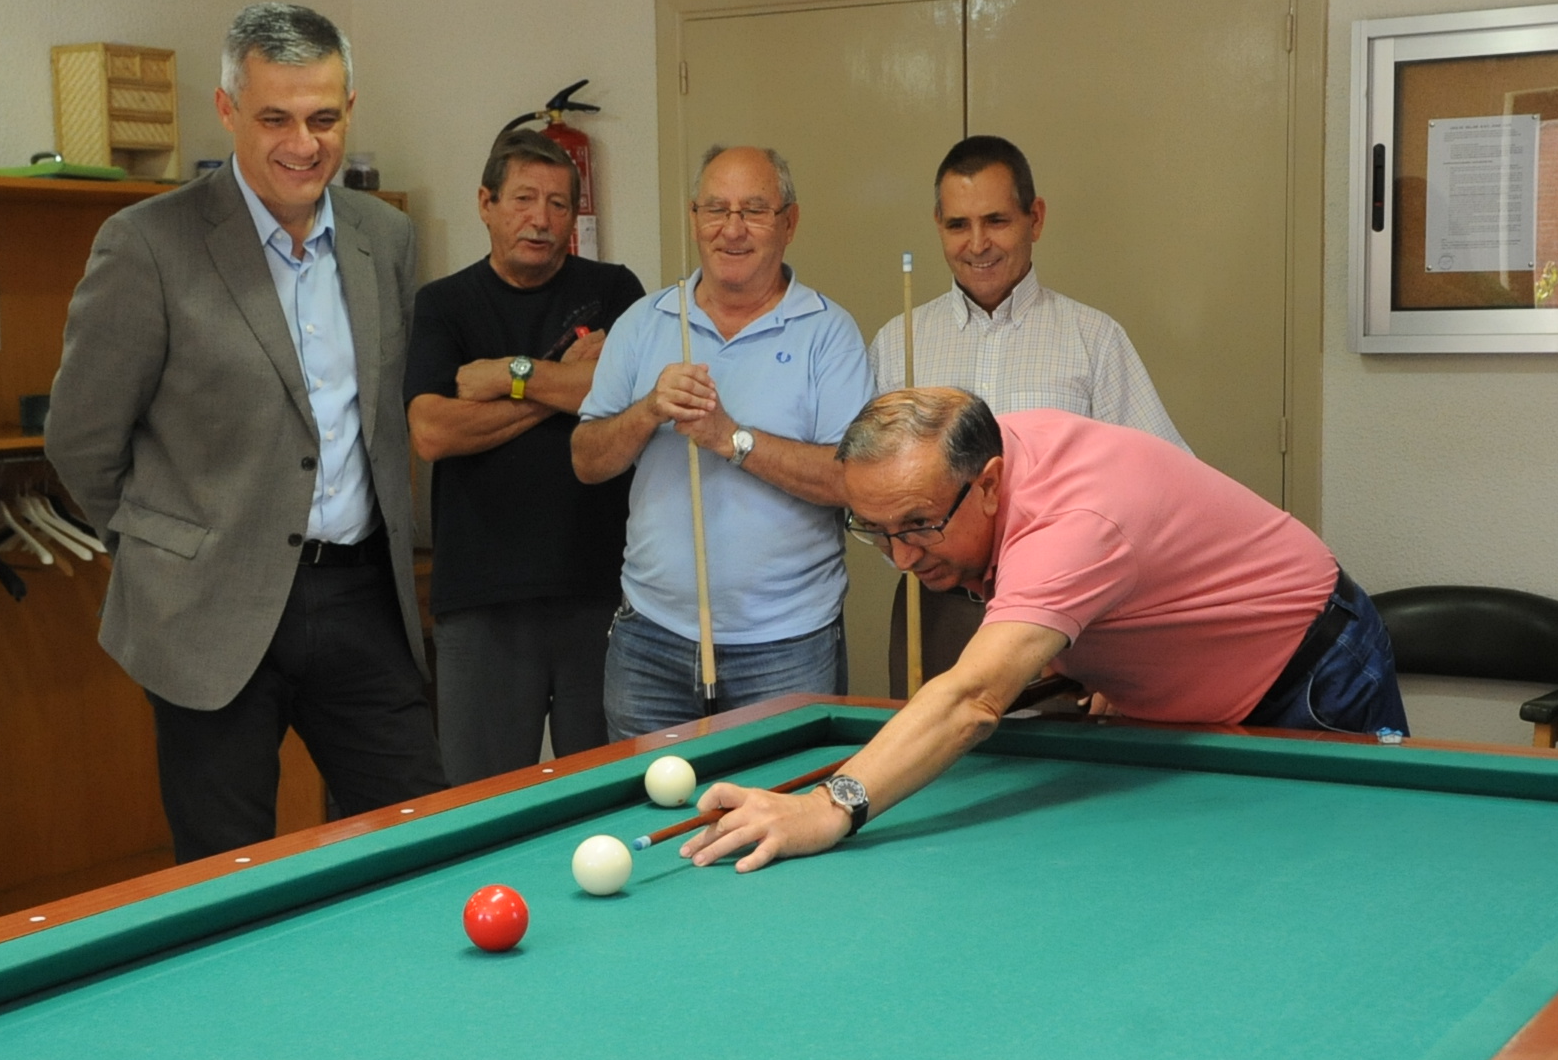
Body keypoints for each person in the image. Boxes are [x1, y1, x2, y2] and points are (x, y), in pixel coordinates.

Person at [678, 387, 1407, 873]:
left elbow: (973, 699)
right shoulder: (982, 461)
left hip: (1312, 673)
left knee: (1342, 875)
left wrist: (826, 807)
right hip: (1186, 707)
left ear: (990, 483)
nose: (901, 556)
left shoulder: (1076, 520)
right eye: (874, 531)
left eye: (919, 526)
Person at [48, 2, 443, 863]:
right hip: (208, 610)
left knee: (421, 842)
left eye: (324, 118)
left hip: (361, 599)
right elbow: (81, 439)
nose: (303, 143)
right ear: (229, 112)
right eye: (276, 118)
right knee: (226, 875)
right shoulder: (147, 244)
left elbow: (384, 418)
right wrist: (172, 545)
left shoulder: (388, 238)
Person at [572, 145, 874, 737]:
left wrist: (730, 437)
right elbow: (586, 460)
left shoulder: (829, 333)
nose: (732, 229)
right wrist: (647, 412)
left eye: (754, 210)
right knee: (644, 818)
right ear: (694, 218)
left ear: (789, 222)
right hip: (651, 641)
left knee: (781, 818)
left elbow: (854, 482)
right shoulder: (645, 322)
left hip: (787, 645)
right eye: (717, 209)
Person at [869, 135, 1188, 694]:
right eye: (957, 225)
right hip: (939, 610)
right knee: (928, 771)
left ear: (1034, 218)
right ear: (938, 225)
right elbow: (870, 491)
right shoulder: (899, 342)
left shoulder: (1094, 340)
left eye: (996, 220)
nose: (977, 244)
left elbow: (1164, 488)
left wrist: (1130, 641)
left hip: (1070, 616)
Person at [404, 131, 647, 784]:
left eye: (559, 205)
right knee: (481, 804)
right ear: (486, 203)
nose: (541, 219)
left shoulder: (615, 290)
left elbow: (628, 398)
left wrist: (507, 375)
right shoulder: (444, 304)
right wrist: (556, 387)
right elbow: (431, 431)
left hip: (602, 592)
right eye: (523, 199)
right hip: (482, 601)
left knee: (606, 794)